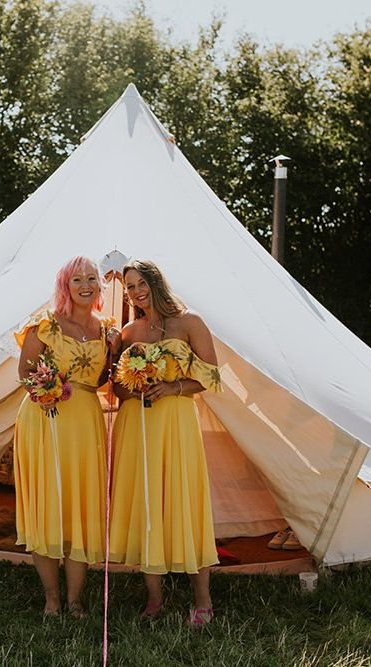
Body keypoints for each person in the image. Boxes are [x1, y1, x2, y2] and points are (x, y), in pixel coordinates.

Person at [109, 259, 222, 626]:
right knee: (145, 504)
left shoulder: (190, 322)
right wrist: (129, 384)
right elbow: (116, 389)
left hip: (175, 422)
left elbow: (210, 377)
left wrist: (173, 386)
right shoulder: (127, 332)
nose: (136, 292)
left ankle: (202, 601)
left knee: (183, 501)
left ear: (156, 282)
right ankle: (154, 599)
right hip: (136, 426)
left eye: (141, 283)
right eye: (129, 287)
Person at [14, 256, 121, 618]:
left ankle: (75, 600)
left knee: (82, 507)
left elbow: (105, 378)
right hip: (46, 419)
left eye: (92, 278)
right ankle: (52, 599)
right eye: (78, 279)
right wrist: (46, 389)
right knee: (48, 506)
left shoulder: (108, 329)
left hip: (87, 419)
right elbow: (25, 373)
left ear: (100, 286)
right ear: (65, 285)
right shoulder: (45, 325)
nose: (86, 284)